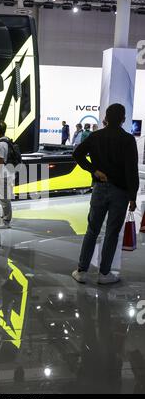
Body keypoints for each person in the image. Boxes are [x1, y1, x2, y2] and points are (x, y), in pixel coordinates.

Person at [72, 103, 139, 285]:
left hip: (100, 188)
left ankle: (82, 271)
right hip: (121, 192)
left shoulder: (95, 136)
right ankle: (104, 274)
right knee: (112, 232)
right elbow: (131, 170)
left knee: (92, 230)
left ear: (106, 119)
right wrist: (133, 196)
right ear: (123, 119)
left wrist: (93, 170)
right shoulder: (128, 140)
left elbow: (77, 154)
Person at [0, 121, 15, 230]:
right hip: (7, 173)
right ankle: (3, 217)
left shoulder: (0, 145)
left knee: (4, 199)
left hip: (2, 174)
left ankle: (6, 221)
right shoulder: (5, 141)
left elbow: (0, 163)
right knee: (3, 198)